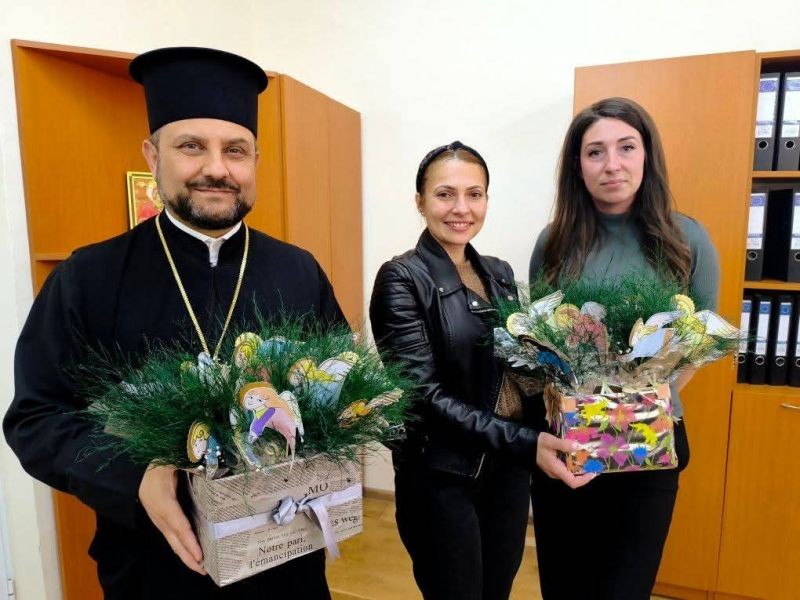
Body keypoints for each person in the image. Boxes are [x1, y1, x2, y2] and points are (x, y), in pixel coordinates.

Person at [4, 47, 344, 599]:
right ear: (152, 154)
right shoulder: (88, 276)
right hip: (152, 569)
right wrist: (132, 475)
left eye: (235, 150)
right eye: (191, 146)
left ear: (255, 160)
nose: (217, 168)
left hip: (285, 562)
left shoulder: (299, 270)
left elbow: (337, 386)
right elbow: (36, 418)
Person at [369, 141, 592, 600]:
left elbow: (518, 368)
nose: (461, 208)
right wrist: (527, 443)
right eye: (445, 194)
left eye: (474, 194)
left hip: (506, 472)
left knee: (497, 589)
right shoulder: (402, 278)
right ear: (420, 202)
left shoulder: (499, 272)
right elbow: (423, 395)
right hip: (443, 474)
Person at [528, 97, 720, 600]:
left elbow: (698, 345)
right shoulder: (554, 243)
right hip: (573, 442)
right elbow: (542, 345)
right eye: (595, 152)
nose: (611, 164)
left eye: (626, 147)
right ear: (578, 165)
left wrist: (637, 404)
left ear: (647, 154)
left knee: (625, 588)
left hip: (650, 440)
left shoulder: (688, 239)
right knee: (565, 587)